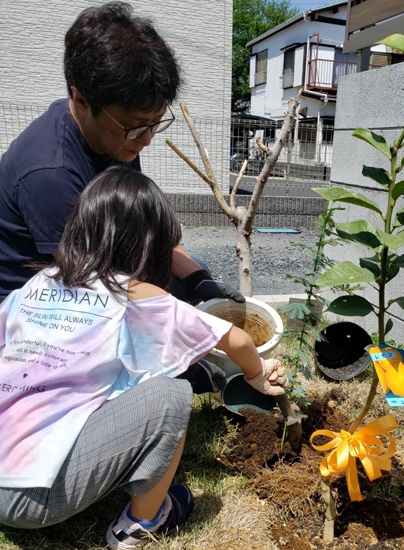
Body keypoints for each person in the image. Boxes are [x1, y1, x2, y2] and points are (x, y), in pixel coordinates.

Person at [0, 166, 287, 549]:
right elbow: (236, 340)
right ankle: (142, 521)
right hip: (29, 498)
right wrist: (258, 375)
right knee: (171, 395)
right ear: (149, 245)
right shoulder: (135, 294)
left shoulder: (40, 282)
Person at [0, 1, 243, 306]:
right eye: (137, 127)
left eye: (155, 124)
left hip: (95, 271)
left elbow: (146, 231)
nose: (147, 139)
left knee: (190, 283)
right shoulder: (50, 173)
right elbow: (95, 281)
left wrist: (198, 277)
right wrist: (188, 320)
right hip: (35, 310)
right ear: (81, 99)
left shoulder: (115, 136)